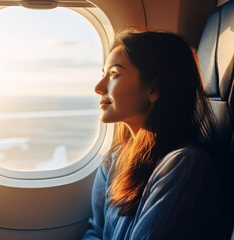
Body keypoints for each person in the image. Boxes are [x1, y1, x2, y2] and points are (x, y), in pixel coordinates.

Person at [82, 29, 218, 240]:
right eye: (103, 75)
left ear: (153, 89)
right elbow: (95, 232)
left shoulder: (183, 163)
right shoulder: (114, 159)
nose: (99, 88)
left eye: (114, 74)